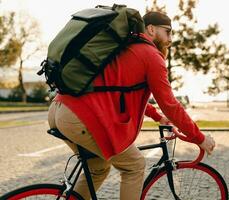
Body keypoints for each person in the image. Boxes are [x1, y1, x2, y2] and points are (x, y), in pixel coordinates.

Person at [48, 11, 215, 200]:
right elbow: (170, 104)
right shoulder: (151, 55)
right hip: (80, 117)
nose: (170, 39)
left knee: (98, 168)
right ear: (151, 29)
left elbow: (121, 92)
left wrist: (157, 116)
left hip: (60, 109)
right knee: (134, 166)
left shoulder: (125, 46)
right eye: (167, 32)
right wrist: (199, 137)